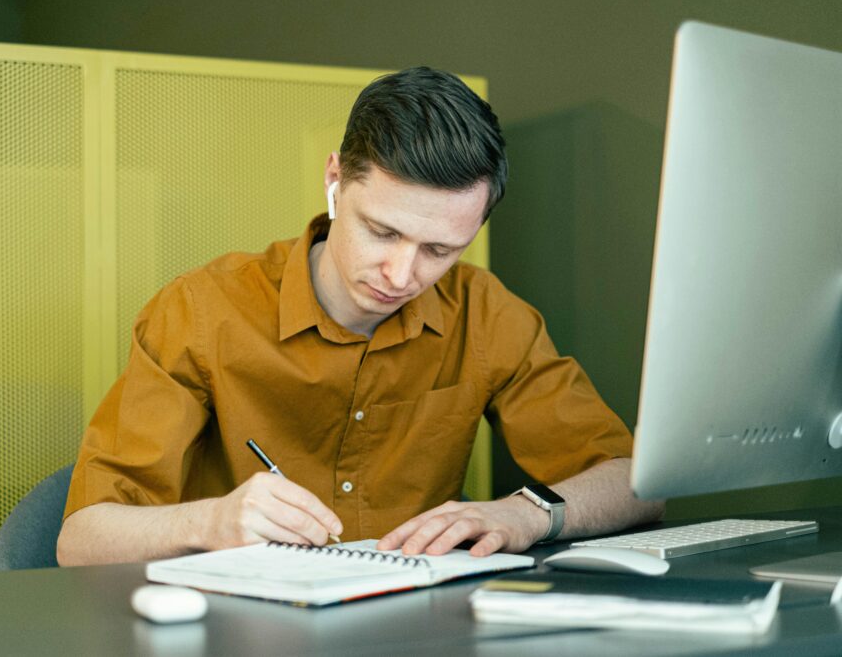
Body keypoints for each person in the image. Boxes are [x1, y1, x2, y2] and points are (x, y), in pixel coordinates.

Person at [57, 67, 663, 566]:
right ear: (334, 182)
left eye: (439, 251)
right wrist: (212, 520)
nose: (402, 276)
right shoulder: (201, 310)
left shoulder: (486, 313)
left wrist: (524, 513)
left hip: (414, 626)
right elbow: (80, 540)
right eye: (383, 231)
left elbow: (635, 484)